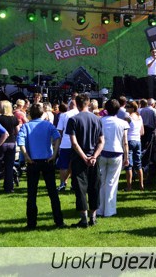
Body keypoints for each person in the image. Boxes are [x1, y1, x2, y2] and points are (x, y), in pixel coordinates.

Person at [17, 103, 64, 229]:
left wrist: (26, 156)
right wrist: (54, 154)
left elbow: (20, 141)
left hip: (33, 162)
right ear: (42, 113)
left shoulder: (26, 126)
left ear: (30, 114)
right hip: (47, 160)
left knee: (31, 193)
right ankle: (59, 221)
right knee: (53, 192)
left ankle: (31, 223)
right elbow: (58, 137)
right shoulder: (48, 125)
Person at [66, 93, 104, 228]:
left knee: (80, 189)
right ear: (88, 103)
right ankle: (93, 217)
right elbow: (101, 141)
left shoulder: (73, 120)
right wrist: (94, 156)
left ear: (76, 104)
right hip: (94, 159)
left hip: (79, 158)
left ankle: (84, 219)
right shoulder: (97, 119)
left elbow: (74, 143)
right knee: (94, 187)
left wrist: (84, 157)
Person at [96, 99, 129, 217]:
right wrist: (126, 157)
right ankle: (109, 211)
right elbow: (125, 142)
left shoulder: (100, 121)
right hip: (116, 153)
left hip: (102, 152)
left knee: (101, 182)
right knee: (112, 183)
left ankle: (99, 209)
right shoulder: (122, 123)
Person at [0, 100, 19, 194]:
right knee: (9, 166)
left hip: (0, 143)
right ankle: (9, 187)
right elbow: (17, 131)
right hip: (11, 143)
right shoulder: (14, 118)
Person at [124, 101, 144, 191]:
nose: (126, 109)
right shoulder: (140, 117)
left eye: (127, 107)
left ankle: (129, 186)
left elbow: (124, 130)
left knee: (128, 164)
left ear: (132, 108)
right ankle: (141, 185)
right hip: (138, 140)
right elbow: (142, 132)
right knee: (138, 164)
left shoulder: (128, 118)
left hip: (129, 140)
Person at [55, 102, 73, 192]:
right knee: (72, 165)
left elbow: (60, 130)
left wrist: (58, 143)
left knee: (63, 165)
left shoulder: (64, 115)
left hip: (66, 143)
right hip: (78, 144)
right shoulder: (82, 113)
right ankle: (72, 184)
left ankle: (62, 184)